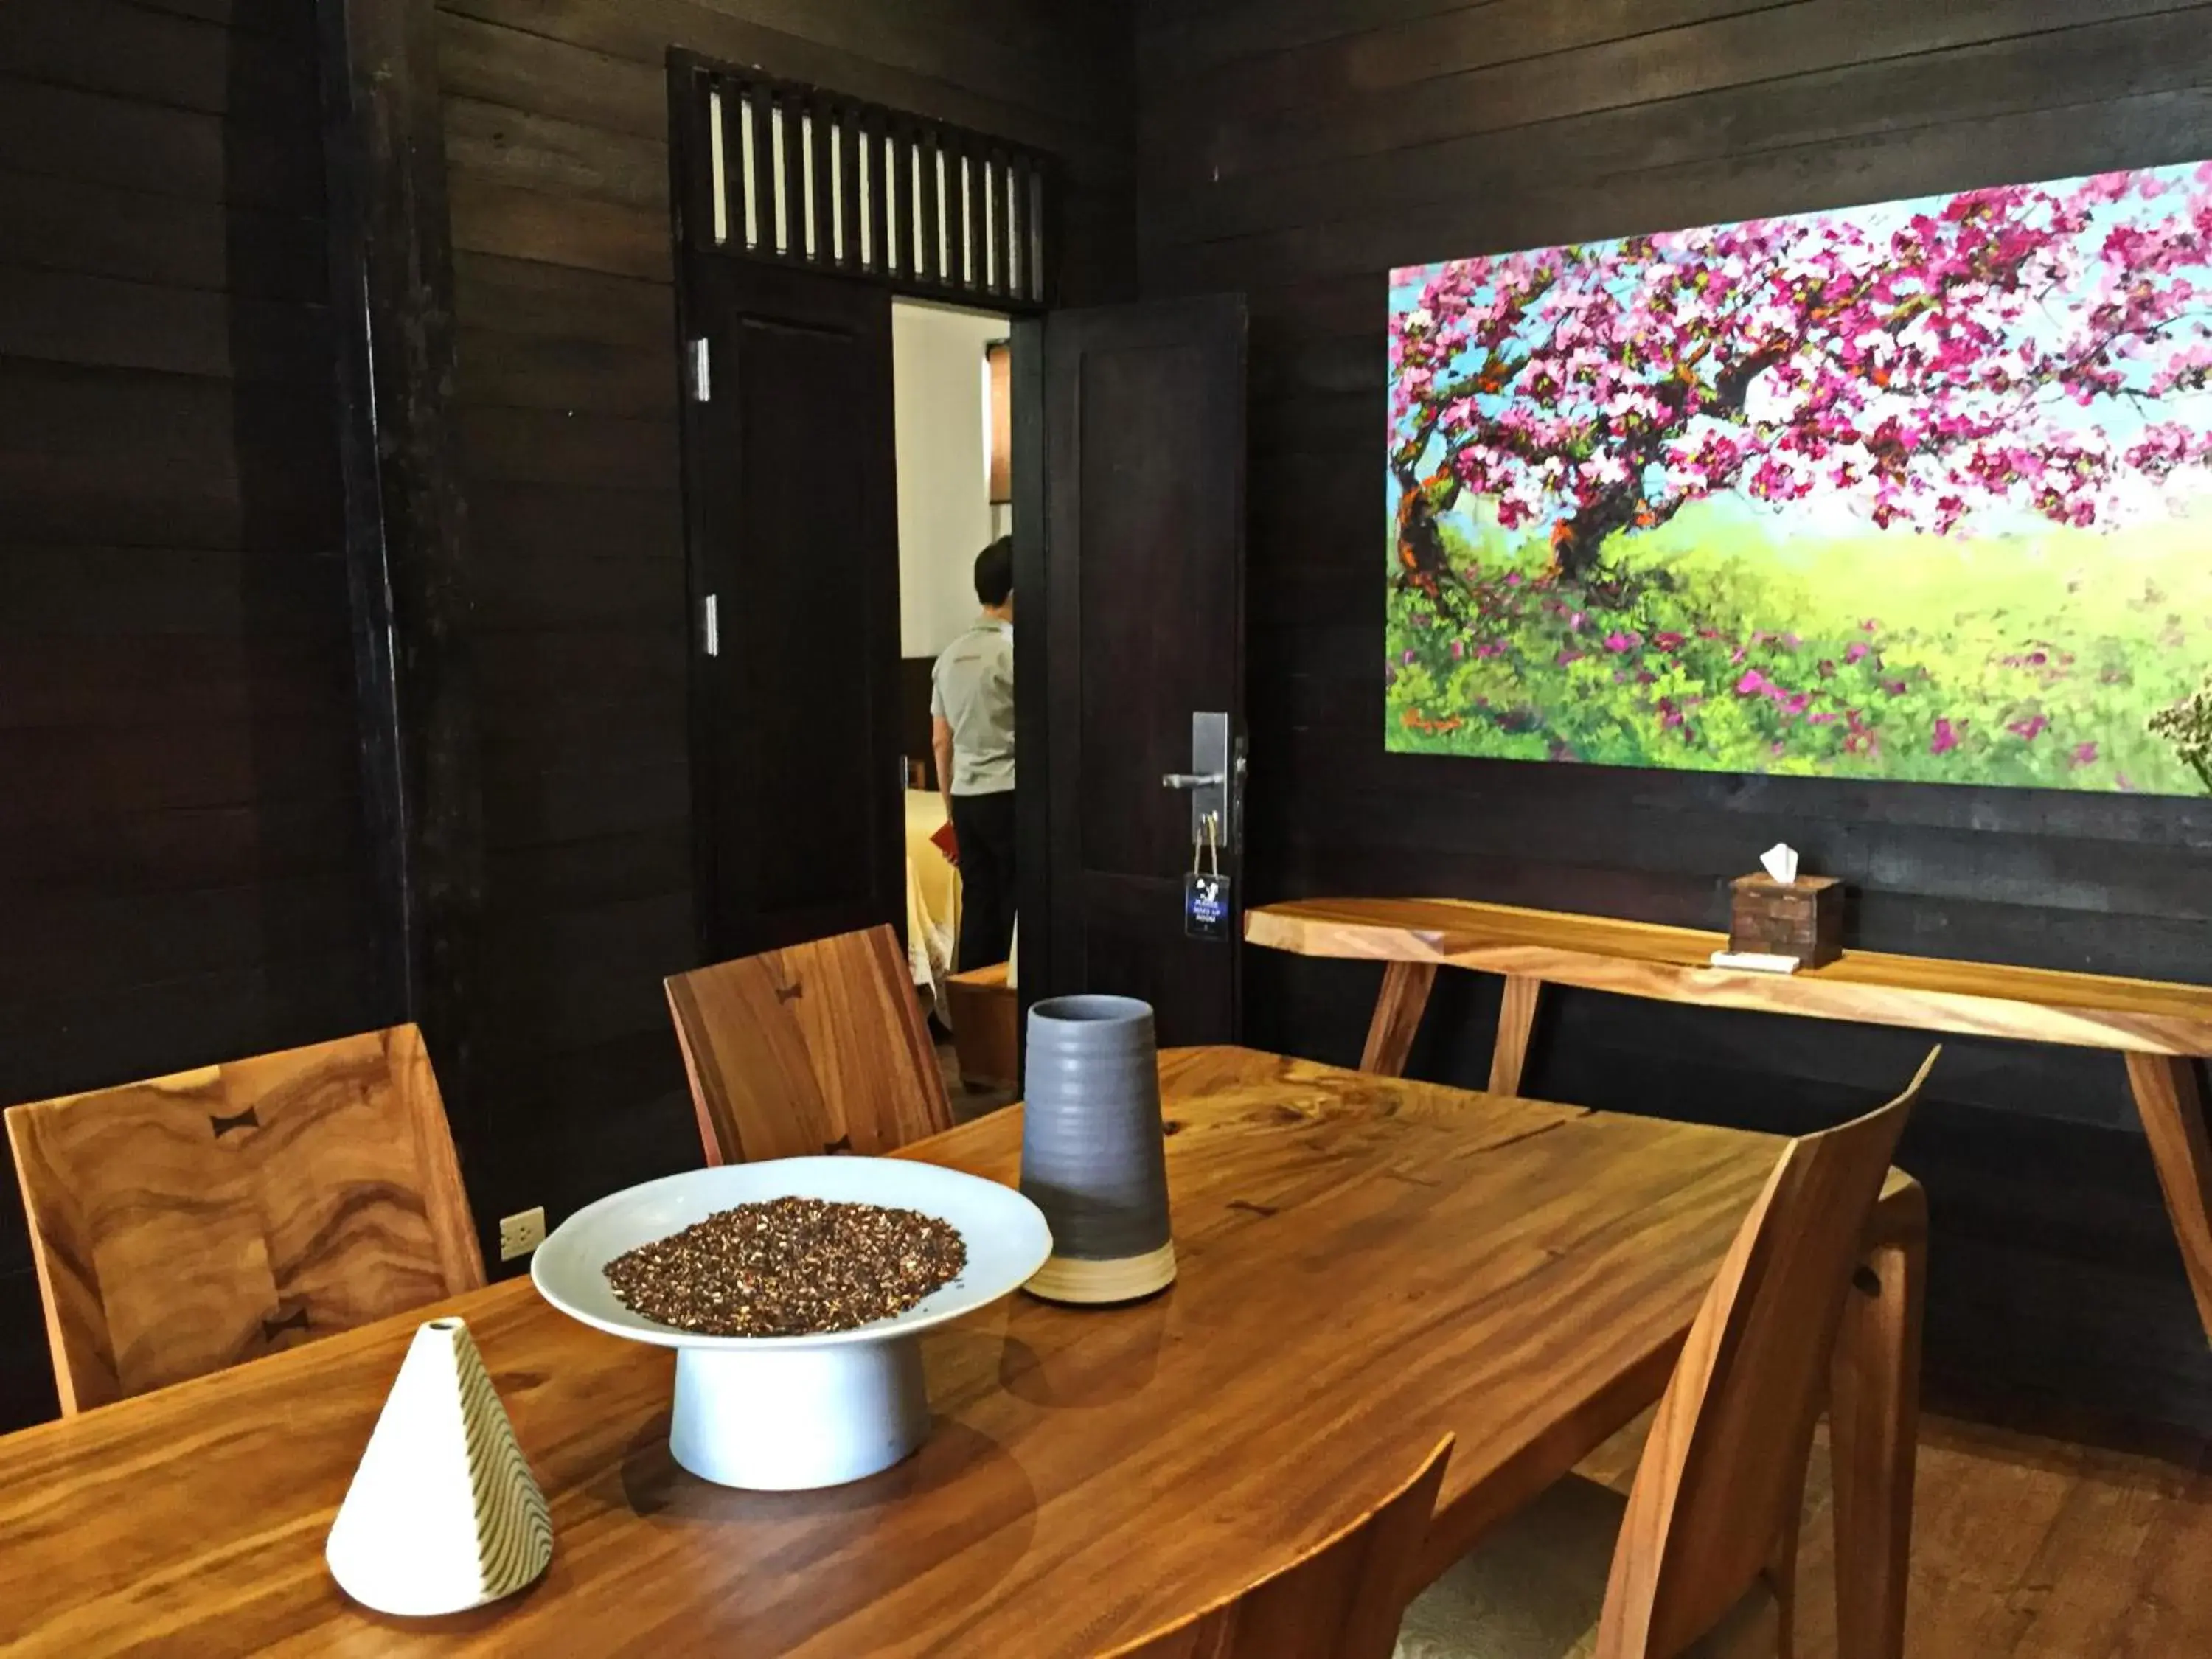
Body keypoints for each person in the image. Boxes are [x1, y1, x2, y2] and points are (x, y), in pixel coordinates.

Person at [931, 537, 1017, 971]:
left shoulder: (948, 657)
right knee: (1014, 910)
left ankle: (974, 1017)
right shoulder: (1013, 653)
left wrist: (950, 812)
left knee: (978, 906)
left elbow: (940, 742)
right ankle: (1013, 1011)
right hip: (1010, 794)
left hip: (967, 800)